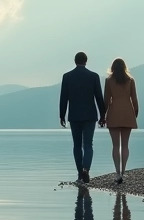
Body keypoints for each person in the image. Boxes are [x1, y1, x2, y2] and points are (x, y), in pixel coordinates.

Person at [59, 51, 106, 183]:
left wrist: (62, 115)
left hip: (74, 116)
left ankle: (80, 174)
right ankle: (86, 170)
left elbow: (64, 98)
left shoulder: (67, 77)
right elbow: (99, 97)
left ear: (75, 61)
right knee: (88, 145)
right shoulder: (94, 76)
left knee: (77, 145)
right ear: (86, 61)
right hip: (90, 115)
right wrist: (103, 115)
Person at [101, 57, 138, 184]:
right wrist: (135, 113)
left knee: (116, 145)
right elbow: (134, 100)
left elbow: (106, 100)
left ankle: (117, 173)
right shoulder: (130, 81)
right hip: (128, 113)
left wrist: (102, 115)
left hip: (114, 113)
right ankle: (123, 172)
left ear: (112, 68)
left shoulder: (109, 81)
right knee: (125, 145)